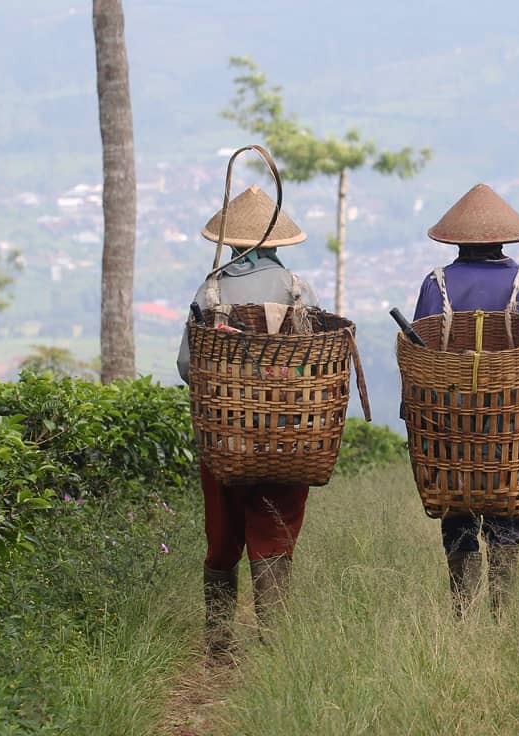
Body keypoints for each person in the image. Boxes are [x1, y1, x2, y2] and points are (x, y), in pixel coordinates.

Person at [412, 183, 519, 617]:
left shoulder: (436, 285)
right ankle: (502, 618)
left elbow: (419, 361)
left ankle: (462, 617)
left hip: (449, 424)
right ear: (503, 238)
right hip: (511, 426)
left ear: (457, 239)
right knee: (508, 505)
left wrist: (416, 425)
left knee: (458, 506)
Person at [176, 184, 319, 658]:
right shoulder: (299, 289)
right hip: (287, 439)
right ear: (278, 244)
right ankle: (273, 646)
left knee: (222, 535)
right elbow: (320, 361)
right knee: (273, 529)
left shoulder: (211, 289)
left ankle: (218, 644)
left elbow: (186, 365)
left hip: (225, 438)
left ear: (232, 243)